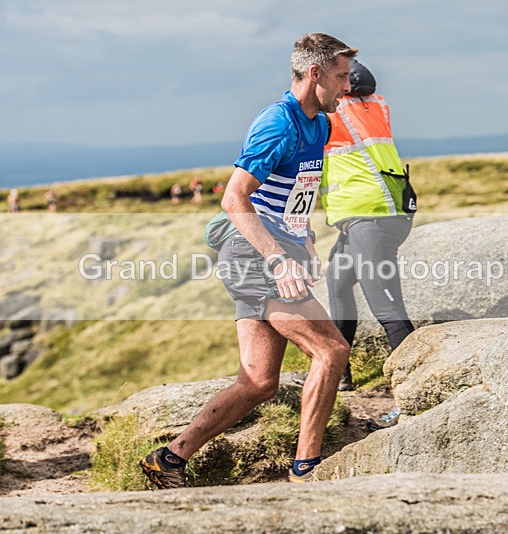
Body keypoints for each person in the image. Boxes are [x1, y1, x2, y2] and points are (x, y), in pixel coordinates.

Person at [139, 33, 358, 489]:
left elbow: (296, 195)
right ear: (314, 73)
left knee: (259, 382)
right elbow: (234, 198)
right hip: (254, 256)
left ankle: (169, 459)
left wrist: (307, 242)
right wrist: (279, 259)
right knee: (332, 350)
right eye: (341, 76)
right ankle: (308, 468)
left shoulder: (319, 123)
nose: (347, 86)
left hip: (279, 251)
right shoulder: (278, 123)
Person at [291, 59, 416, 430]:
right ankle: (338, 372)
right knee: (340, 284)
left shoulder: (331, 115)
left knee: (387, 306)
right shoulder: (375, 104)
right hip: (371, 216)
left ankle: (413, 399)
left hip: (371, 218)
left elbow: (307, 170)